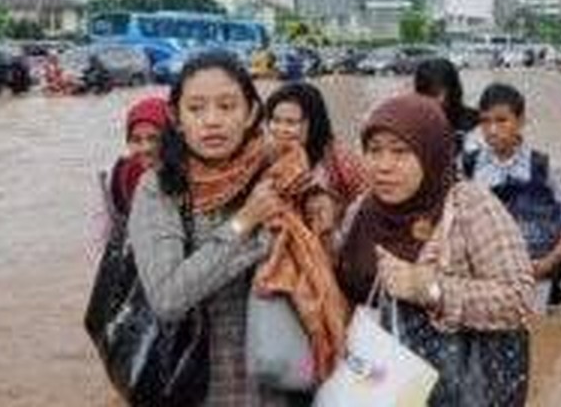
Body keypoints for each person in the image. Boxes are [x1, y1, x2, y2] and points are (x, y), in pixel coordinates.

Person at [128, 50, 344, 405]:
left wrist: (322, 209)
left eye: (227, 107)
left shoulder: (283, 172)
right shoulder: (161, 188)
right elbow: (167, 298)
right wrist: (245, 221)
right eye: (196, 109)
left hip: (282, 377)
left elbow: (324, 273)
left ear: (252, 113)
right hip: (204, 382)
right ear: (176, 117)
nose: (212, 121)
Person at [335, 94, 534, 407]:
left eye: (400, 152)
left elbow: (519, 300)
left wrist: (427, 288)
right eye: (374, 151)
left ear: (431, 153)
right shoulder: (361, 209)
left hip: (455, 389)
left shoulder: (470, 207)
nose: (384, 166)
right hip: (375, 383)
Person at [465, 83, 561, 311]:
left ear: (521, 121)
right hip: (487, 280)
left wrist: (547, 263)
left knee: (540, 337)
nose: (492, 129)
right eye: (485, 121)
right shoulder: (469, 166)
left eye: (501, 120)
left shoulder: (544, 167)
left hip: (538, 279)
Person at [265, 82, 368, 251]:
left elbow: (366, 203)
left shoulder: (340, 160)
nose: (281, 130)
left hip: (333, 250)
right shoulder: (266, 159)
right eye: (275, 120)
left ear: (313, 124)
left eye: (291, 123)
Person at [106, 95, 170, 218]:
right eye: (136, 140)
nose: (145, 148)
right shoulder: (121, 174)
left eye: (154, 139)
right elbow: (112, 220)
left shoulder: (192, 174)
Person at [414, 57, 480, 152]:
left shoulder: (475, 121)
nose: (440, 99)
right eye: (428, 94)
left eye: (436, 93)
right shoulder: (413, 126)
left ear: (453, 90)